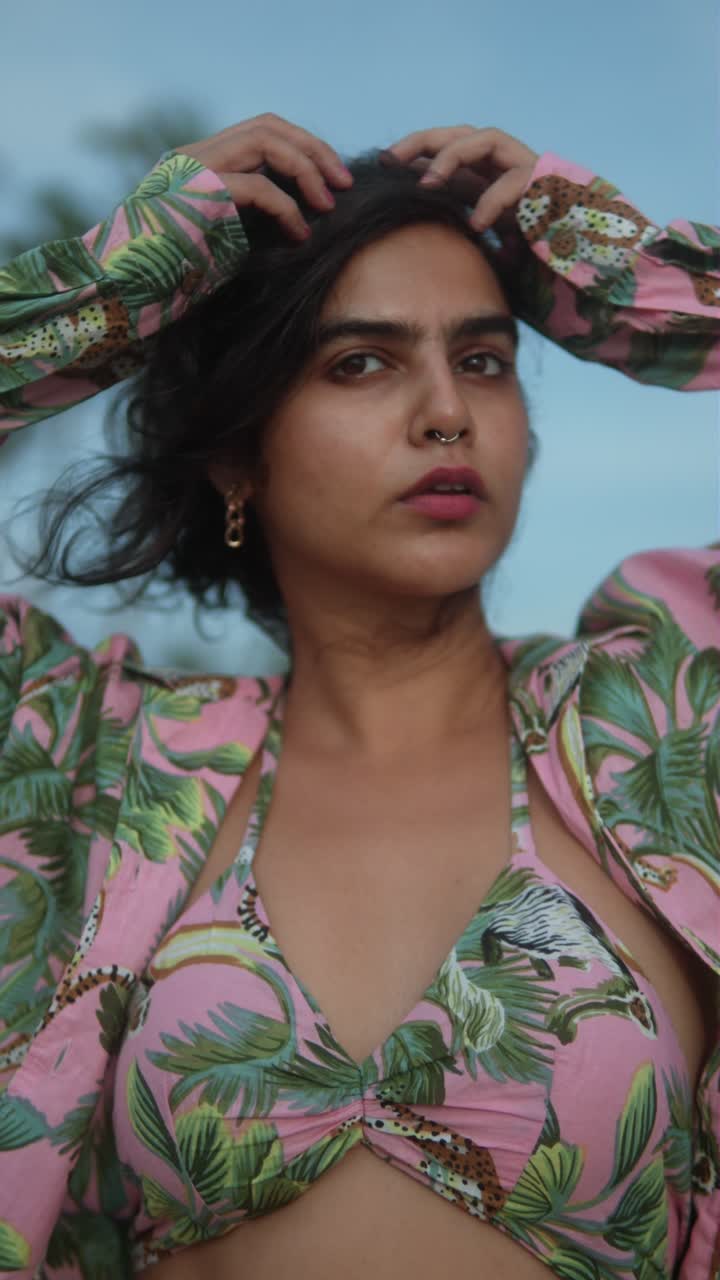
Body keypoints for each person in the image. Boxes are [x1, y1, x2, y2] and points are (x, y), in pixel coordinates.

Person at [0, 114, 718, 1280]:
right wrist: (111, 286)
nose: (447, 409)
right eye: (362, 362)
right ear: (239, 458)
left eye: (483, 358)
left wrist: (626, 277)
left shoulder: (670, 720)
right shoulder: (83, 764)